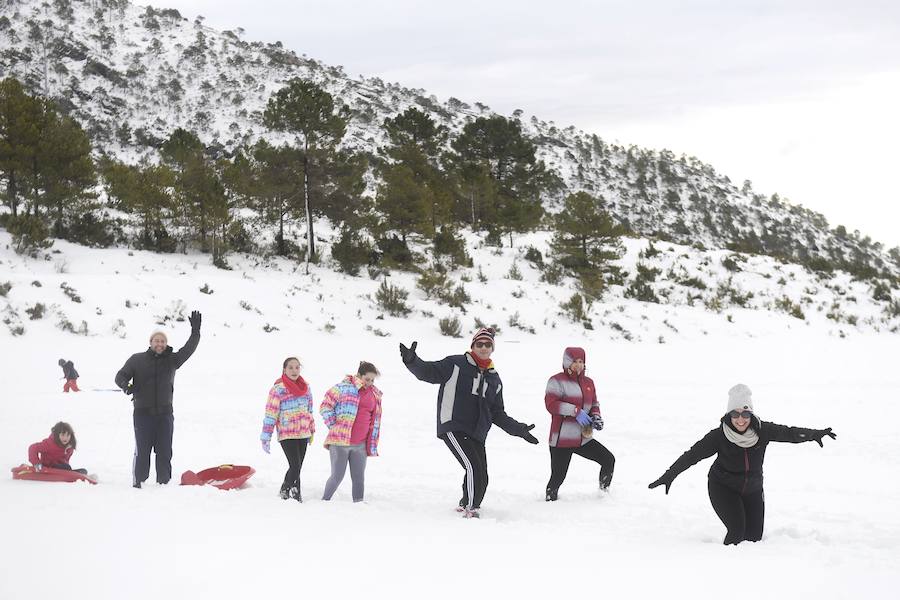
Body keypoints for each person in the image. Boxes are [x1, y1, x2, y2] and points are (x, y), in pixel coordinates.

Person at [648, 383, 837, 545]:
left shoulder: (763, 430)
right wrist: (669, 475)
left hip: (753, 489)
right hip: (723, 487)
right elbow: (692, 456)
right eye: (735, 414)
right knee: (737, 531)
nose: (740, 419)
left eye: (745, 414)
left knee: (754, 538)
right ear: (729, 414)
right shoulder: (719, 436)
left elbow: (789, 433)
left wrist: (814, 434)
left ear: (751, 414)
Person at [399, 327, 539, 518]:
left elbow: (497, 413)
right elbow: (428, 373)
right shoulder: (455, 364)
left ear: (492, 348)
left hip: (477, 432)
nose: (483, 348)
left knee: (482, 475)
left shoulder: (494, 379)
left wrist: (519, 429)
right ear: (472, 346)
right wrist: (412, 360)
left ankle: (466, 502)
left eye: (487, 345)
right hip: (454, 425)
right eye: (479, 344)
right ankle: (470, 509)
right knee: (473, 467)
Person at [115, 311, 201, 488]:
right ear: (151, 342)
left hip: (165, 415)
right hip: (142, 414)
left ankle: (164, 483)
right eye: (157, 340)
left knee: (164, 451)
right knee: (143, 450)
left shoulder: (172, 360)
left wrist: (195, 332)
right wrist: (127, 386)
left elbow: (188, 349)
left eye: (162, 341)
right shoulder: (136, 360)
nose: (160, 344)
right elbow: (120, 376)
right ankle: (138, 481)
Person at [544, 347, 615, 501]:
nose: (578, 365)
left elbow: (594, 404)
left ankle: (604, 493)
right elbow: (552, 404)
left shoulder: (589, 382)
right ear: (567, 362)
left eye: (581, 361)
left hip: (583, 438)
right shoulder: (556, 381)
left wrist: (596, 416)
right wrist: (575, 411)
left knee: (608, 459)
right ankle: (550, 501)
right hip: (561, 439)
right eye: (574, 361)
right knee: (558, 477)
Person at [320, 361, 383, 503]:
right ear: (359, 375)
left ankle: (359, 504)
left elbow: (375, 418)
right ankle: (325, 501)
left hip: (360, 444)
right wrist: (334, 425)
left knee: (359, 477)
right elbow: (325, 406)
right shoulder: (343, 388)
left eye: (373, 380)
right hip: (340, 442)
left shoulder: (375, 394)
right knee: (337, 476)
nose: (370, 383)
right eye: (367, 379)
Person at [260, 356, 315, 501]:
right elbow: (271, 413)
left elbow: (309, 410)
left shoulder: (306, 387)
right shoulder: (278, 389)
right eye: (290, 367)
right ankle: (286, 491)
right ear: (284, 370)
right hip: (287, 433)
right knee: (295, 465)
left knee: (298, 467)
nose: (294, 370)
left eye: (297, 367)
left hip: (303, 432)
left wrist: (312, 429)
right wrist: (266, 436)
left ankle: (294, 493)